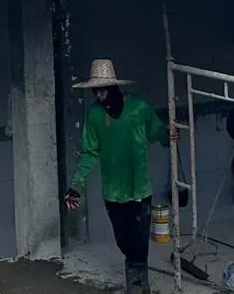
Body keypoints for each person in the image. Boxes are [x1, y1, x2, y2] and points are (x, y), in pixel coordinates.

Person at [63, 58, 171, 294]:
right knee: (124, 240)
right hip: (113, 191)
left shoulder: (140, 108)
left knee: (140, 241)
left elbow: (157, 132)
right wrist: (76, 186)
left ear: (114, 87)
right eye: (96, 90)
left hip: (139, 188)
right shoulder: (94, 116)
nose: (100, 95)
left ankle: (138, 285)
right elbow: (89, 153)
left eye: (103, 89)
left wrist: (169, 138)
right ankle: (136, 278)